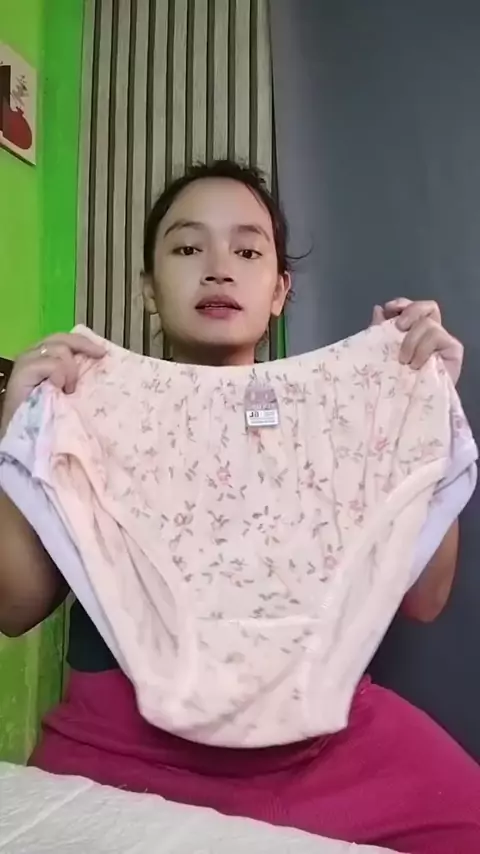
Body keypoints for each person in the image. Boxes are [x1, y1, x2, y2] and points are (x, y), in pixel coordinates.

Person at [0, 160, 479, 854]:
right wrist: (16, 437)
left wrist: (413, 418)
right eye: (187, 247)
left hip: (328, 745)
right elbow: (12, 609)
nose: (219, 268)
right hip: (124, 746)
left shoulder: (342, 421)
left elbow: (425, 600)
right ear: (148, 287)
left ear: (280, 289)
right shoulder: (88, 406)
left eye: (248, 252)